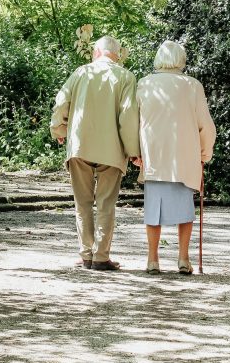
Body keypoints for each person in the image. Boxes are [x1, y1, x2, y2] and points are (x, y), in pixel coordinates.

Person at [50, 36, 140, 271]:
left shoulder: (80, 73)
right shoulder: (126, 77)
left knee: (82, 204)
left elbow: (61, 103)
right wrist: (133, 151)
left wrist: (59, 129)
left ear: (97, 52)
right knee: (106, 204)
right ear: (117, 55)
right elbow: (128, 117)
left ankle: (86, 254)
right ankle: (101, 257)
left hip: (80, 147)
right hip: (112, 150)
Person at [135, 40, 216, 275]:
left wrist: (135, 152)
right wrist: (204, 153)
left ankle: (152, 259)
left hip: (154, 155)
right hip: (184, 156)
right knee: (185, 209)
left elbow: (134, 121)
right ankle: (183, 258)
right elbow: (206, 125)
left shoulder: (145, 84)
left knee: (153, 210)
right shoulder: (192, 86)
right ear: (181, 60)